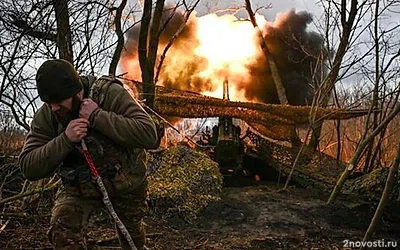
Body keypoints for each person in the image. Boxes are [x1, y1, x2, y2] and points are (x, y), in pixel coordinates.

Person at [18, 59, 159, 250]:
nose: (54, 108)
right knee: (63, 232)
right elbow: (28, 166)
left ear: (77, 92)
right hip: (79, 188)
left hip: (126, 183)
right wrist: (66, 139)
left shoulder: (109, 94)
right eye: (49, 103)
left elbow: (149, 134)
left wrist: (97, 116)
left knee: (133, 241)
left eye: (59, 102)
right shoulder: (48, 114)